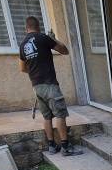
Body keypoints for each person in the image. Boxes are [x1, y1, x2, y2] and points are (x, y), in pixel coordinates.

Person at [19, 16, 81, 156]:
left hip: (36, 86)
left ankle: (52, 146)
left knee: (47, 117)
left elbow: (22, 68)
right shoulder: (43, 37)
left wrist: (35, 71)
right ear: (38, 26)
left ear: (26, 28)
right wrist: (54, 38)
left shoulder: (23, 45)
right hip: (49, 84)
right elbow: (64, 51)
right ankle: (65, 147)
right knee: (60, 114)